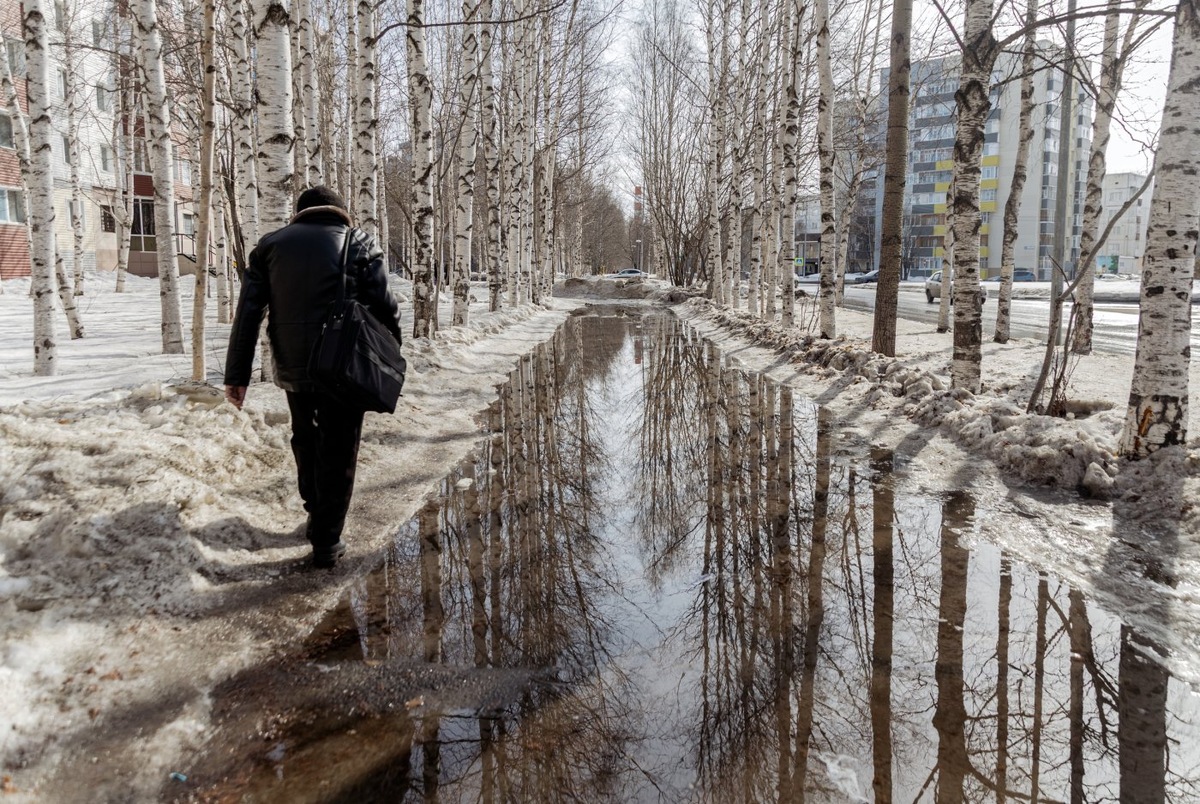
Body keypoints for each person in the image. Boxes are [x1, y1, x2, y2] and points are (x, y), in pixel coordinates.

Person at [224, 186, 402, 568]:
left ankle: (314, 511)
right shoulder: (358, 243)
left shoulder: (270, 247)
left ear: (300, 213)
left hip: (293, 366)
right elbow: (386, 307)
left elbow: (247, 316)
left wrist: (236, 375)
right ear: (340, 212)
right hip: (344, 367)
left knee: (305, 437)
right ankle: (327, 540)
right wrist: (391, 357)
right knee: (339, 448)